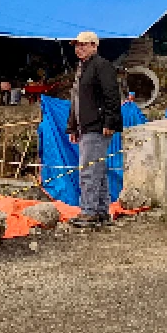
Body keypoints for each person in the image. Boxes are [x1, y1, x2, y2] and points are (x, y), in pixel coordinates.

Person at [66, 31, 122, 227]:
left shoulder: (102, 66)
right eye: (76, 45)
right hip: (86, 126)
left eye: (83, 45)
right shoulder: (82, 68)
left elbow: (112, 96)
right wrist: (73, 127)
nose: (78, 49)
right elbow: (76, 101)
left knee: (89, 170)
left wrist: (109, 122)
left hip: (97, 126)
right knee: (97, 169)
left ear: (94, 46)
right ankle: (101, 211)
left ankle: (89, 211)